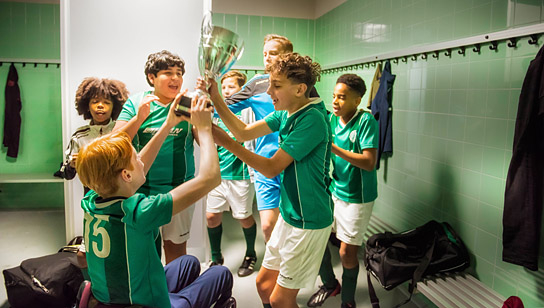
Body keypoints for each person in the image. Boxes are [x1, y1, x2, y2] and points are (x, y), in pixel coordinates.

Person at [76, 94, 236, 308]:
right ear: (126, 175)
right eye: (136, 159)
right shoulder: (139, 211)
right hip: (146, 304)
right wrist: (205, 128)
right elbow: (211, 178)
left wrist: (169, 124)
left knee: (188, 262)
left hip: (114, 299)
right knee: (220, 273)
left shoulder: (91, 200)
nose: (141, 160)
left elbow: (137, 165)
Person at [209, 53, 333, 308]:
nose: (268, 91)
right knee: (264, 285)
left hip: (309, 220)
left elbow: (271, 167)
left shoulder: (311, 119)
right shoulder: (288, 111)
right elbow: (243, 132)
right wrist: (214, 97)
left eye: (276, 85)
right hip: (291, 216)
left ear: (300, 89)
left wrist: (227, 143)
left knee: (280, 299)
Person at [203, 34, 318, 243]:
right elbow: (231, 115)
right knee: (268, 226)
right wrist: (208, 99)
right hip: (264, 161)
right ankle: (275, 267)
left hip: (293, 164)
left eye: (273, 54)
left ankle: (322, 273)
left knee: (297, 229)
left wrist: (228, 141)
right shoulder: (261, 87)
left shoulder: (306, 103)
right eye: (264, 54)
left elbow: (314, 120)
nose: (269, 92)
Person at [114, 50, 195, 264]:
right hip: (141, 193)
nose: (176, 78)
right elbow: (113, 143)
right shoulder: (137, 102)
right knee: (146, 253)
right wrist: (139, 118)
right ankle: (152, 296)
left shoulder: (188, 102)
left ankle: (174, 295)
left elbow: (208, 137)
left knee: (176, 252)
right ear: (152, 77)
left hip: (179, 191)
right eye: (168, 73)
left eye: (179, 73)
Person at [307, 74, 378, 308]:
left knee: (347, 252)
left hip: (357, 197)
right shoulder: (331, 119)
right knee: (317, 239)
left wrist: (334, 148)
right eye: (334, 96)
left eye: (342, 97)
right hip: (334, 190)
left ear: (357, 100)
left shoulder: (365, 121)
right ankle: (329, 284)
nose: (336, 102)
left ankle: (348, 300)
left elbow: (369, 162)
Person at [206, 70, 259, 277]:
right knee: (211, 216)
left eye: (232, 87)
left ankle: (251, 254)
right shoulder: (216, 111)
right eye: (224, 87)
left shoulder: (247, 110)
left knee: (243, 217)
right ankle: (216, 256)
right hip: (218, 176)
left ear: (242, 90)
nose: (227, 91)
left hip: (241, 175)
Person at [56, 77, 129, 191]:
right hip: (90, 198)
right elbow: (66, 174)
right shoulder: (79, 136)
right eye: (95, 101)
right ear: (87, 106)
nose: (100, 105)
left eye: (106, 102)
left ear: (114, 107)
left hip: (120, 194)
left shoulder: (122, 132)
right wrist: (72, 165)